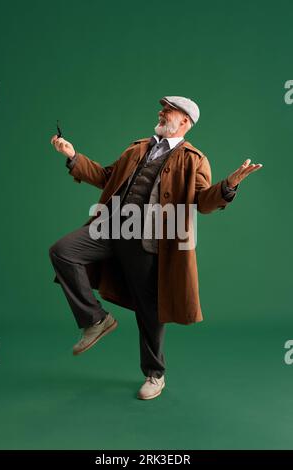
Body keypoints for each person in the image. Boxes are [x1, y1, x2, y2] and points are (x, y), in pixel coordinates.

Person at [49, 96, 263, 400]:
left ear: (185, 122)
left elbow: (202, 202)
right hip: (111, 227)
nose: (161, 113)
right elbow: (108, 178)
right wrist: (73, 157)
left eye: (169, 111)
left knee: (150, 310)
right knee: (63, 251)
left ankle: (154, 374)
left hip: (150, 241)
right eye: (162, 109)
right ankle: (96, 319)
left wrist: (229, 186)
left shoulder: (194, 159)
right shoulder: (137, 148)